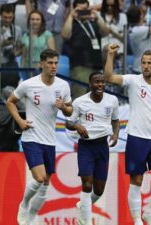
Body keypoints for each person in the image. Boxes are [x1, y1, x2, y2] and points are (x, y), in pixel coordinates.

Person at [105, 43, 151, 225]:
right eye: (143, 63)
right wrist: (110, 55)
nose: (146, 66)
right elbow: (108, 77)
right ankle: (138, 220)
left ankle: (149, 212)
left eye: (149, 63)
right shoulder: (133, 80)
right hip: (136, 137)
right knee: (136, 180)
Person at [6, 49, 73, 225]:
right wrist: (20, 121)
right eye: (50, 63)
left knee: (46, 183)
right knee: (40, 177)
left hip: (50, 140)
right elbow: (10, 102)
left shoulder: (63, 86)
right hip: (31, 137)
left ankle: (31, 218)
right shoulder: (28, 84)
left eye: (56, 63)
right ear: (41, 64)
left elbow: (70, 110)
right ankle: (24, 203)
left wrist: (64, 108)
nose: (53, 66)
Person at [66, 72, 120, 225]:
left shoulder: (112, 100)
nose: (100, 85)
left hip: (102, 146)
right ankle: (87, 222)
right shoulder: (80, 102)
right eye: (97, 82)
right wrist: (77, 126)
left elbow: (116, 120)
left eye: (102, 82)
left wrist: (115, 134)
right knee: (87, 184)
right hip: (86, 147)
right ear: (90, 84)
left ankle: (82, 206)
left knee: (99, 190)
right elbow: (68, 123)